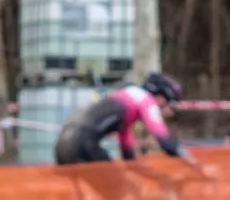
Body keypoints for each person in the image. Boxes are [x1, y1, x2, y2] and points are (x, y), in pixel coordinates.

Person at [54, 71, 186, 165]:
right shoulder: (146, 101)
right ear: (161, 98)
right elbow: (163, 140)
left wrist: (152, 175)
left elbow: (127, 155)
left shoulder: (127, 97)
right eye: (169, 105)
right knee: (121, 192)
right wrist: (187, 158)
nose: (170, 112)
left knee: (113, 187)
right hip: (82, 143)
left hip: (64, 143)